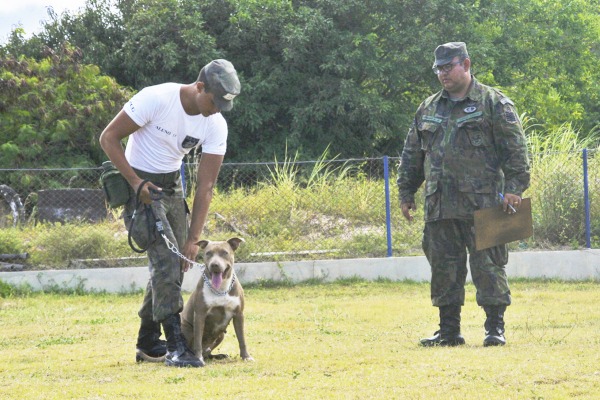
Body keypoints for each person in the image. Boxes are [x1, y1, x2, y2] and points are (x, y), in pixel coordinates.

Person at [99, 59, 241, 366]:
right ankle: (177, 346)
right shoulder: (156, 98)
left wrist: (193, 238)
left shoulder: (215, 123)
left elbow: (205, 186)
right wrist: (136, 183)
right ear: (199, 87)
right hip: (139, 180)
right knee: (164, 262)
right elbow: (108, 138)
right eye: (214, 102)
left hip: (172, 186)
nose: (216, 109)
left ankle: (148, 343)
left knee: (177, 265)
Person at [397, 42, 530, 347]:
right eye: (439, 69)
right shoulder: (428, 107)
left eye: (448, 67)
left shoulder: (494, 102)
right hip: (439, 204)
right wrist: (406, 192)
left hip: (485, 202)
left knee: (489, 267)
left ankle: (494, 329)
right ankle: (449, 332)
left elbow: (516, 150)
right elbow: (412, 154)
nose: (443, 74)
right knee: (444, 268)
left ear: (466, 64)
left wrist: (514, 188)